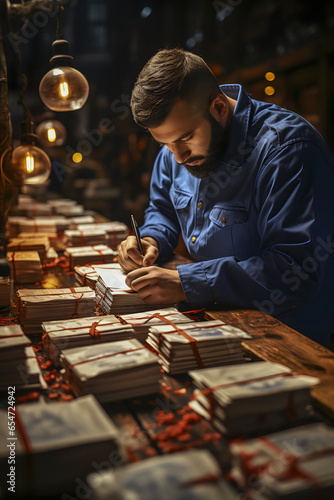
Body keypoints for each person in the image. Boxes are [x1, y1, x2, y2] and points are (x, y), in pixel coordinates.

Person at [118, 48, 334, 347]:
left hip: (288, 337)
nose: (177, 157)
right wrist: (152, 240)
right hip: (214, 319)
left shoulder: (287, 150)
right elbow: (163, 209)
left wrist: (187, 282)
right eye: (165, 144)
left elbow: (294, 271)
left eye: (184, 139)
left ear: (218, 108)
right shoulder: (176, 146)